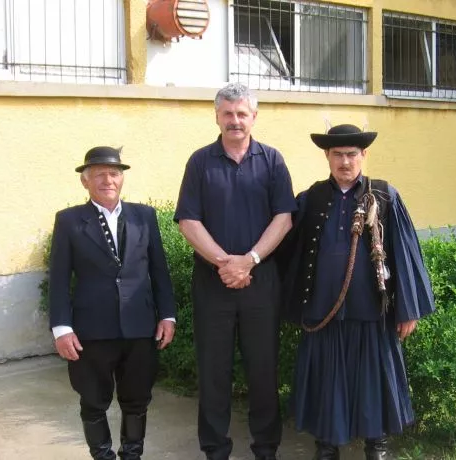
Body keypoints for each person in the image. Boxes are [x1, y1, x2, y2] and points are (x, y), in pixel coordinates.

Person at [278, 124, 435, 460]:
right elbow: (290, 249)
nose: (345, 161)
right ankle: (327, 449)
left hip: (372, 313)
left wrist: (408, 309)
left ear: (363, 155)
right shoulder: (311, 198)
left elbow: (404, 253)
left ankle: (377, 449)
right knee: (327, 385)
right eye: (338, 154)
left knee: (373, 385)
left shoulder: (385, 196)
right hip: (324, 314)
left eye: (351, 154)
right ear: (327, 156)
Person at [174, 83, 296, 460]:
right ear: (217, 117)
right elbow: (188, 220)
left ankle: (266, 449)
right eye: (228, 113)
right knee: (213, 372)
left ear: (253, 117)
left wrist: (250, 260)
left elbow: (284, 218)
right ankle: (215, 450)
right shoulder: (199, 162)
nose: (235, 120)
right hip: (213, 284)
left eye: (242, 113)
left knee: (263, 371)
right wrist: (226, 263)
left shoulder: (272, 161)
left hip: (262, 283)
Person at [49, 146, 177, 460]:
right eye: (99, 174)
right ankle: (102, 456)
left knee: (137, 400)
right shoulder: (68, 221)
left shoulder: (144, 216)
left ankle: (132, 455)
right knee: (93, 401)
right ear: (85, 181)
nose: (108, 180)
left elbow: (159, 270)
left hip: (140, 327)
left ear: (122, 178)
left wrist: (167, 315)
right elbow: (59, 279)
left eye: (114, 173)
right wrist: (62, 328)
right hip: (91, 330)